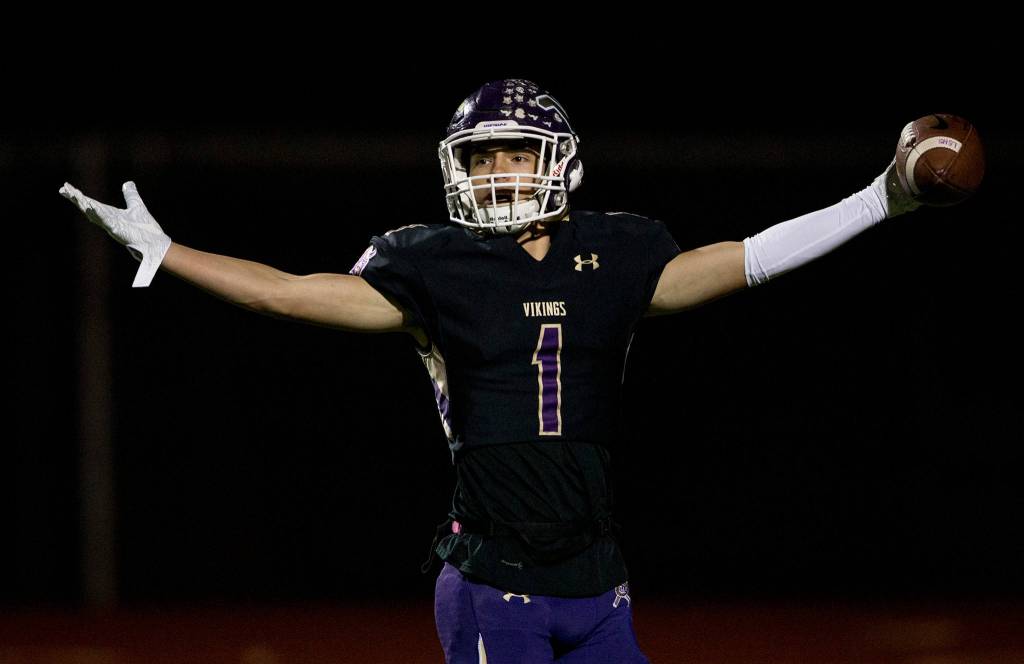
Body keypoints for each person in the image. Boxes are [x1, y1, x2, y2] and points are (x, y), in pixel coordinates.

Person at [61, 79, 922, 664]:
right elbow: (288, 295)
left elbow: (752, 258)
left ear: (559, 159)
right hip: (490, 579)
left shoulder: (617, 252)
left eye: (512, 152)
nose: (495, 171)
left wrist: (882, 197)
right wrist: (168, 251)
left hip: (597, 577)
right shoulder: (435, 264)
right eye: (480, 158)